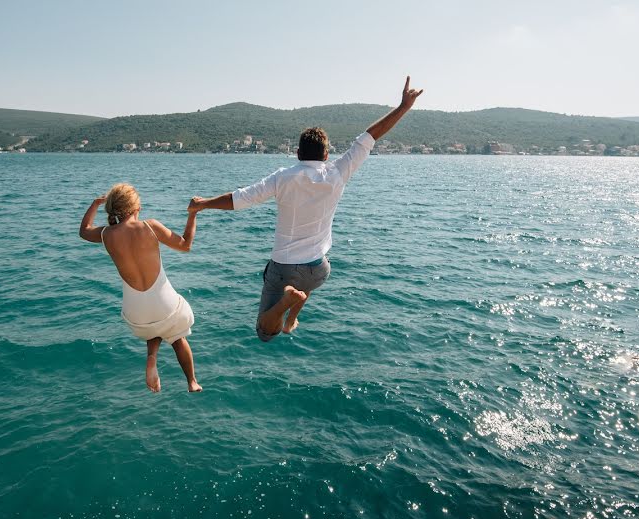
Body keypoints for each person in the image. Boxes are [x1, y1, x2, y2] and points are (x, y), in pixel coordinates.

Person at [188, 76, 423, 342]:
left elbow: (239, 199)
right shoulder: (338, 172)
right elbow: (370, 137)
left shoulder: (283, 177)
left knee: (265, 331)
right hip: (319, 269)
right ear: (326, 155)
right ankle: (292, 317)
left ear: (298, 153)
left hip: (284, 267)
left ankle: (285, 306)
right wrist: (403, 107)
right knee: (306, 282)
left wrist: (203, 204)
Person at [79, 183, 202, 392]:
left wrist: (95, 203)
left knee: (151, 325)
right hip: (166, 307)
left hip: (135, 313)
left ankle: (151, 357)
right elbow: (185, 245)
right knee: (176, 336)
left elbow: (83, 231)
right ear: (136, 207)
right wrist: (193, 215)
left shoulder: (106, 234)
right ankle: (191, 381)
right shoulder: (150, 227)